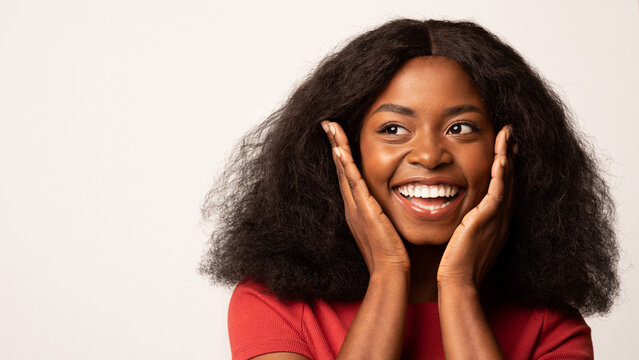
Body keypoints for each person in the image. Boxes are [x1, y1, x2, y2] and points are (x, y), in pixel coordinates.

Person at [200, 19, 619, 359]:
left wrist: (457, 287)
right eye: (394, 129)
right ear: (344, 149)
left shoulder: (550, 326)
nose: (430, 155)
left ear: (507, 149)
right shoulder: (277, 307)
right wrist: (387, 276)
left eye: (461, 128)